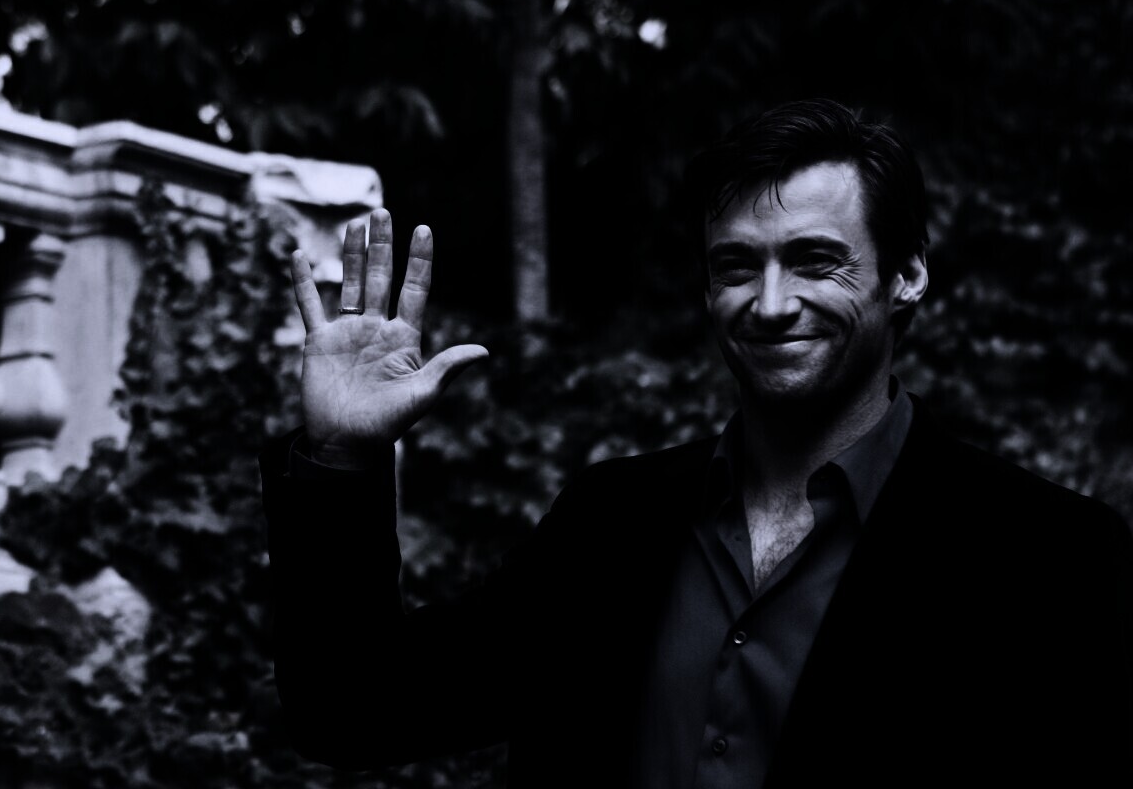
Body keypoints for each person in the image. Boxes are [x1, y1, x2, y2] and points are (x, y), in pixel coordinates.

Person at [261, 99, 1133, 787]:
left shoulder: (1053, 559)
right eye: (736, 266)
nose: (771, 303)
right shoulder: (609, 523)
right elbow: (353, 711)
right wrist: (340, 458)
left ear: (906, 275)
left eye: (816, 261)